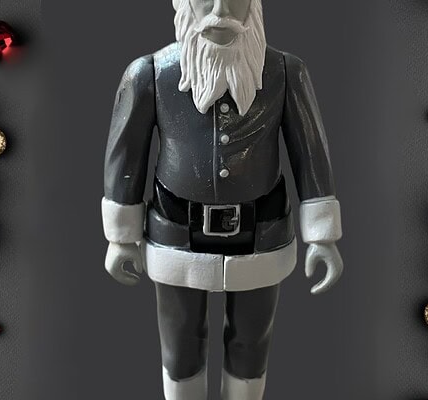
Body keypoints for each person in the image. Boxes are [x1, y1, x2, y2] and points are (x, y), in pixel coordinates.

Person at [101, 0, 343, 398]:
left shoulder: (286, 72)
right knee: (180, 345)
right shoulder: (150, 74)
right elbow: (125, 155)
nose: (220, 12)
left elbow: (310, 153)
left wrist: (322, 236)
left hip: (261, 233)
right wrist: (120, 237)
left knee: (251, 344)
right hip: (176, 233)